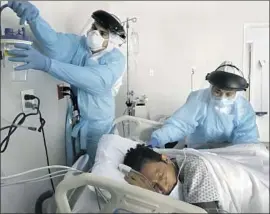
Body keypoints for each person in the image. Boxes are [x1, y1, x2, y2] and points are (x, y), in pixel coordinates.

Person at [7, 1, 126, 166]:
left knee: (100, 169)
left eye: (102, 32)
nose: (94, 34)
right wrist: (35, 19)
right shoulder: (80, 45)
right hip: (77, 119)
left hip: (99, 125)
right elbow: (54, 45)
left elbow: (97, 81)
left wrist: (48, 65)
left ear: (112, 40)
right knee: (77, 167)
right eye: (94, 27)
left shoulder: (116, 59)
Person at [148, 61, 259, 149]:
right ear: (211, 86)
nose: (222, 98)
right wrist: (158, 139)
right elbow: (180, 124)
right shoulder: (199, 99)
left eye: (228, 94)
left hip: (228, 155)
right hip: (199, 153)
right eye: (217, 91)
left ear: (237, 93)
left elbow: (246, 141)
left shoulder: (243, 109)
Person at [123, 144, 221, 213]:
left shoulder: (194, 168)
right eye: (154, 186)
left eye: (161, 176)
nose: (164, 189)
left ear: (166, 159)